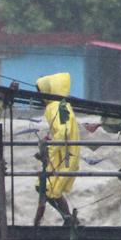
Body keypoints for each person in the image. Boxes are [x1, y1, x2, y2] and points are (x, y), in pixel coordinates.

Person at [34, 72, 80, 226]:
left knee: (46, 187)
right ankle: (68, 218)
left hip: (62, 156)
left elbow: (61, 132)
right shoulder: (63, 105)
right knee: (52, 188)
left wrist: (50, 151)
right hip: (67, 153)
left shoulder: (55, 106)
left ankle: (66, 218)